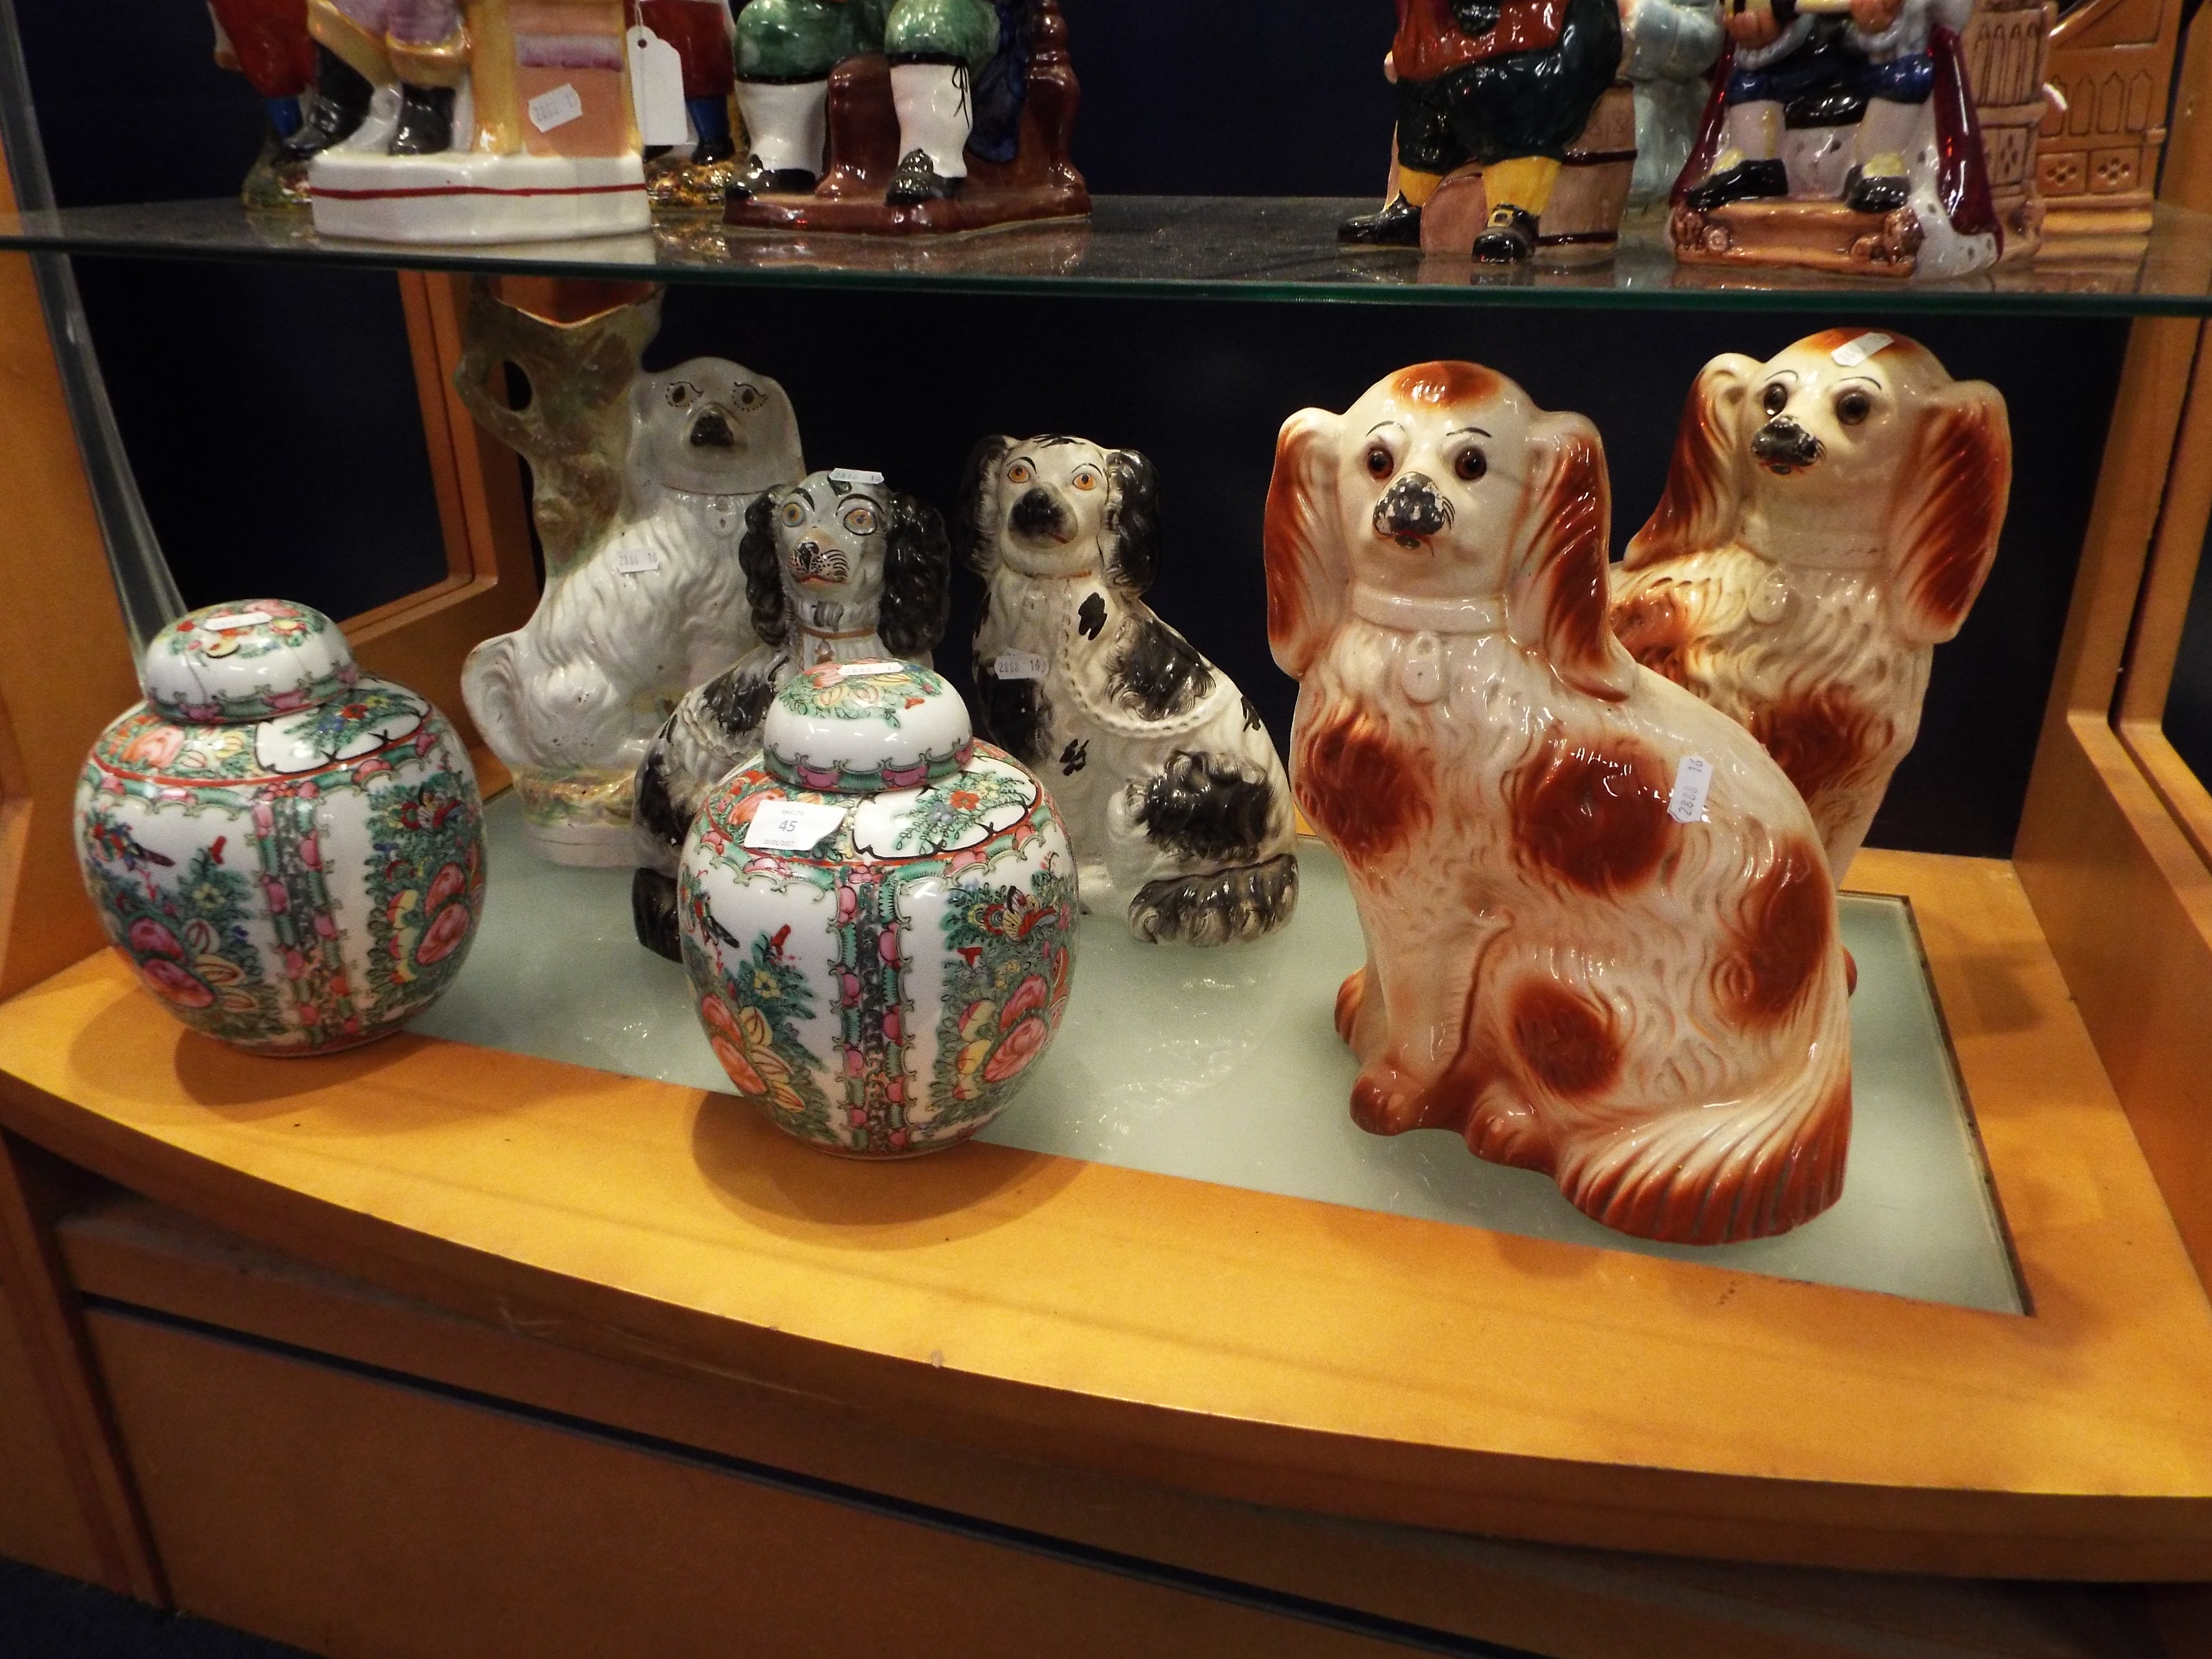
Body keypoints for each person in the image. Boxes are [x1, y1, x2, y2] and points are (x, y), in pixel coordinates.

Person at [1339, 0, 1623, 263]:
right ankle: (1414, 204)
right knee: (1424, 99)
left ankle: (1514, 210)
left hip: (1544, 37)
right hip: (1463, 40)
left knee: (1510, 92)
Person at [1681, 0, 1971, 214]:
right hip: (1800, 57)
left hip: (1875, 59)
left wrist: (1894, 13)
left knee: (1908, 76)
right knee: (1749, 82)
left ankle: (1878, 165)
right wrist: (1761, 24)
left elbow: (1951, 13)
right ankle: (1756, 165)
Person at [729, 0, 1006, 204]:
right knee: (767, 24)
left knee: (924, 24)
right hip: (857, 15)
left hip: (958, 9)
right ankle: (783, 156)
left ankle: (931, 157)